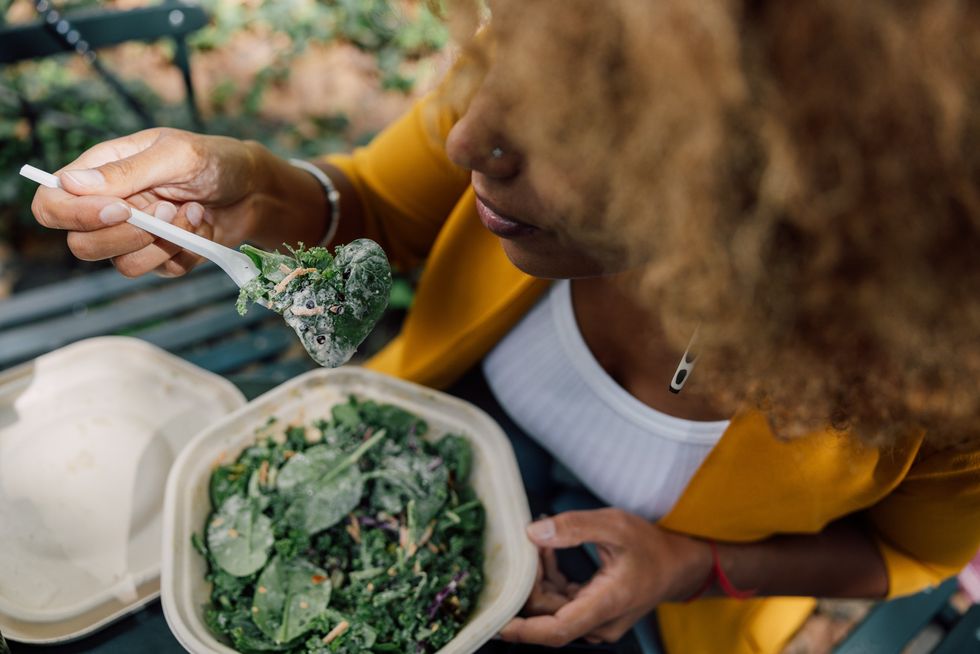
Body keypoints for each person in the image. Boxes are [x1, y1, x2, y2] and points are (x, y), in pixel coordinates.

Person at [28, 1, 980, 652]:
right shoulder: (547, 55)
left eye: (585, 123)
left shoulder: (941, 378)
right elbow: (371, 206)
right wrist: (245, 195)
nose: (466, 137)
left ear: (785, 182)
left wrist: (692, 568)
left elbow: (908, 556)